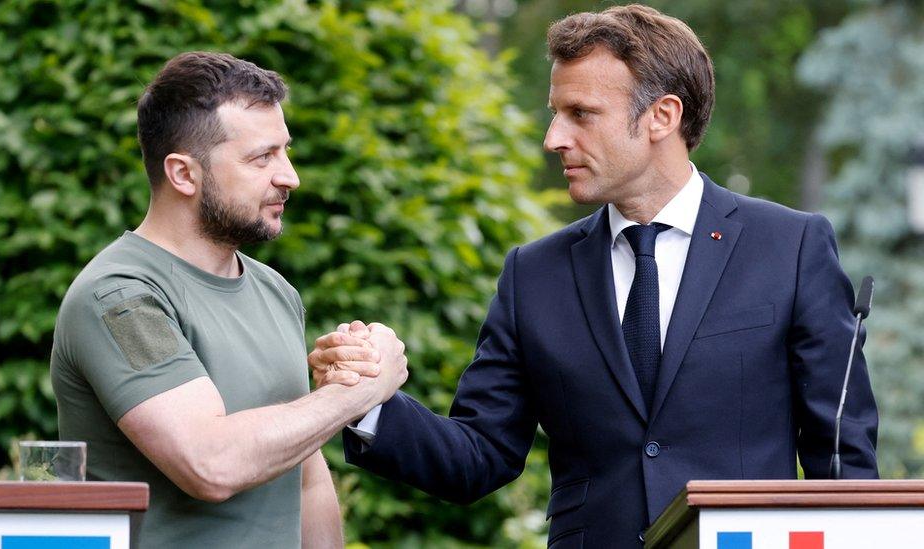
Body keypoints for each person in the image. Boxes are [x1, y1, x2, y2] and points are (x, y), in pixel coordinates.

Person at [318, 5, 879, 547]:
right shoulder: (531, 274)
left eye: (581, 114)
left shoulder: (790, 247)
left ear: (663, 116)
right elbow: (479, 454)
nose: (554, 138)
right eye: (555, 113)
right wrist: (366, 403)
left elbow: (841, 455)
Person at [50, 52, 407, 549]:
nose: (290, 176)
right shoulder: (121, 297)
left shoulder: (275, 292)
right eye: (262, 158)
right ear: (183, 174)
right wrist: (361, 389)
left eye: (285, 151)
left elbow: (304, 475)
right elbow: (209, 464)